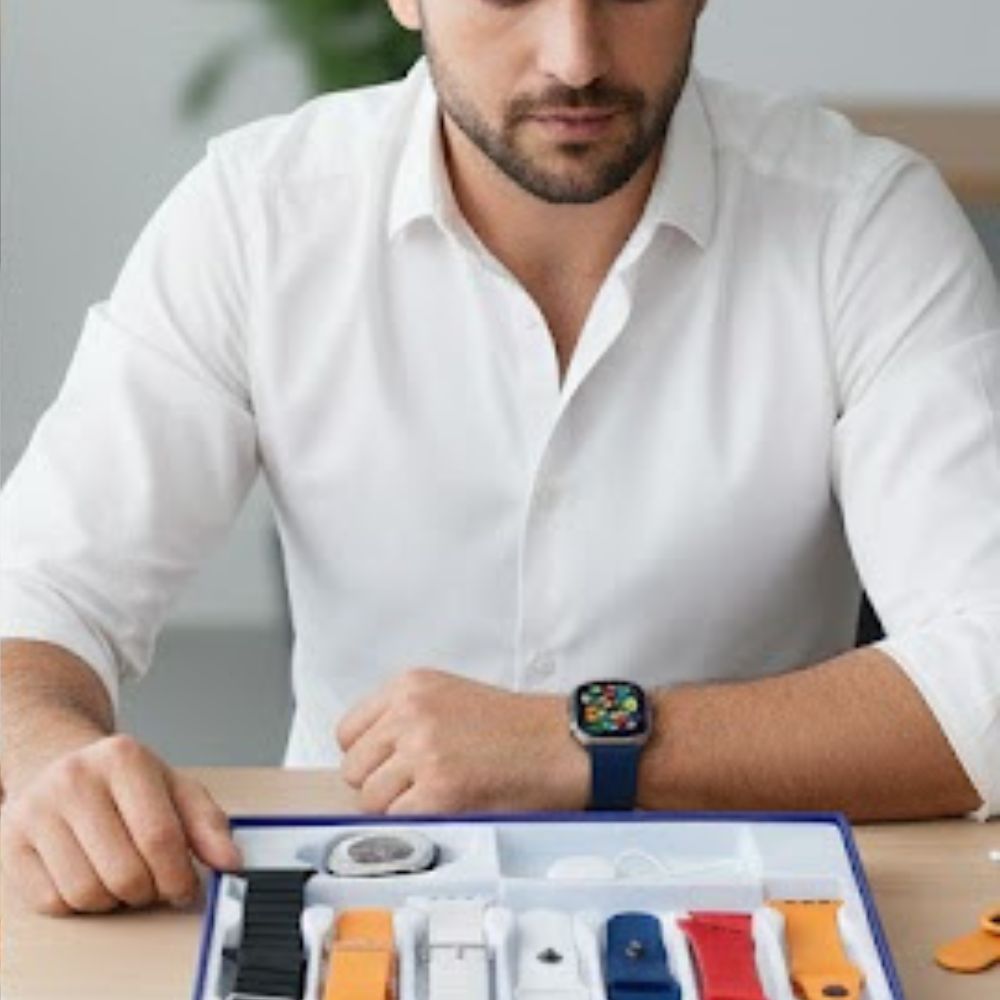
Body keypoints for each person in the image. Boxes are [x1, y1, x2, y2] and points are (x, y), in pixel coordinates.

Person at [1, 0, 997, 918]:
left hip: (754, 913)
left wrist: (583, 742)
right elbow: (37, 588)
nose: (576, 57)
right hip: (350, 906)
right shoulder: (258, 214)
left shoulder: (860, 220)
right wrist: (49, 756)